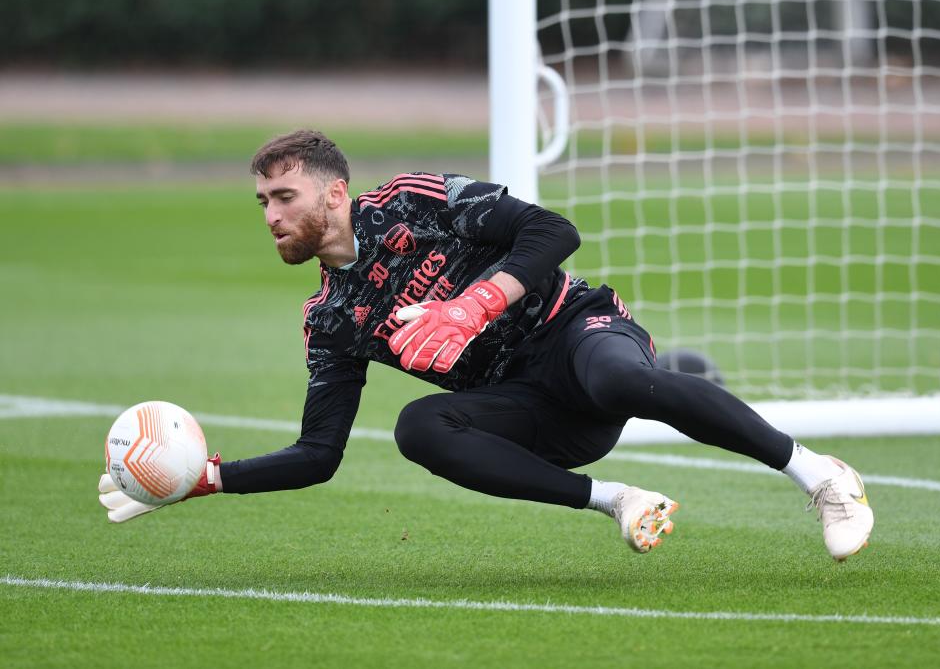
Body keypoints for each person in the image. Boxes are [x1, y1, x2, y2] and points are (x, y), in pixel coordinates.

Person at [98, 129, 874, 560]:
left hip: (574, 332)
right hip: (534, 414)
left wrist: (472, 305)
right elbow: (319, 455)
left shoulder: (411, 200)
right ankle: (619, 501)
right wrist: (205, 479)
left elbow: (553, 230)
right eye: (262, 201)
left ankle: (822, 476)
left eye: (284, 196)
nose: (270, 214)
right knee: (419, 428)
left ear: (334, 194)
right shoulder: (331, 319)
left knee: (617, 380)